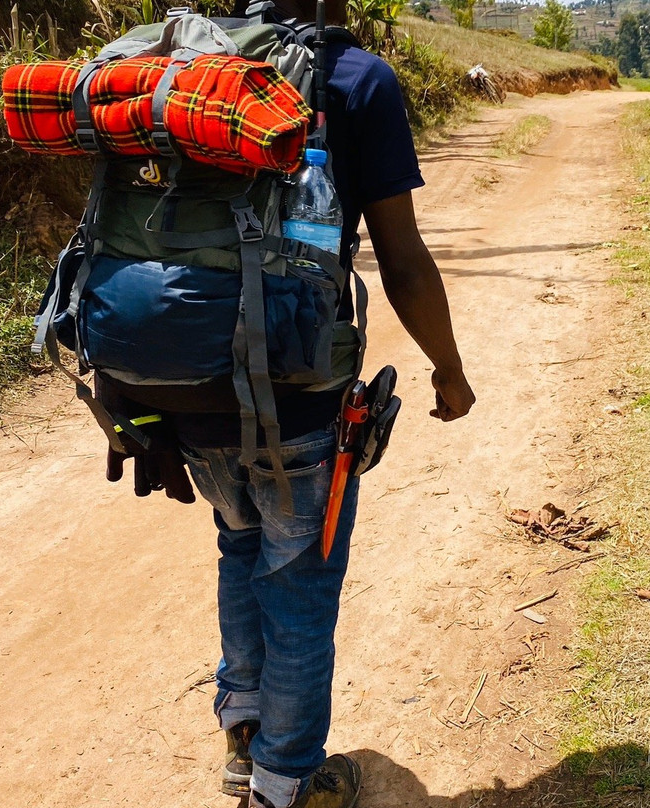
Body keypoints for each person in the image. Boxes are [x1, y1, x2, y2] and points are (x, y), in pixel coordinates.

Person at [165, 2, 476, 806]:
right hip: (296, 396)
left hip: (182, 378)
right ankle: (288, 782)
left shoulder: (189, 63)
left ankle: (246, 735)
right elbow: (402, 259)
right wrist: (449, 368)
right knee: (298, 582)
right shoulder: (356, 80)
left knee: (240, 547)